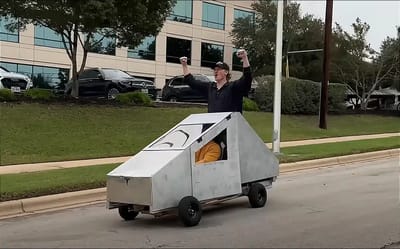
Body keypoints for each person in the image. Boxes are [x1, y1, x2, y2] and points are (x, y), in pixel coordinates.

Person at [179, 49, 253, 114]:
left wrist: (244, 58)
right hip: (213, 126)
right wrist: (184, 65)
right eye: (214, 70)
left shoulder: (233, 87)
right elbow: (192, 82)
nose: (215, 71)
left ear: (226, 72)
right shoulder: (210, 87)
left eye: (218, 69)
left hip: (229, 127)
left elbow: (247, 78)